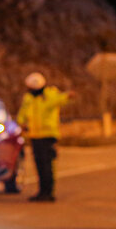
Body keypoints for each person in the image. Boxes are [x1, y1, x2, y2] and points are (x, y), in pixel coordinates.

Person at [16, 72, 71, 202]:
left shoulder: (49, 95)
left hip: (48, 136)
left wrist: (67, 96)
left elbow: (59, 99)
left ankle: (48, 192)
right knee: (40, 165)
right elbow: (23, 114)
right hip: (35, 136)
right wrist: (21, 123)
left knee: (47, 165)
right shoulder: (29, 98)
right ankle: (42, 192)